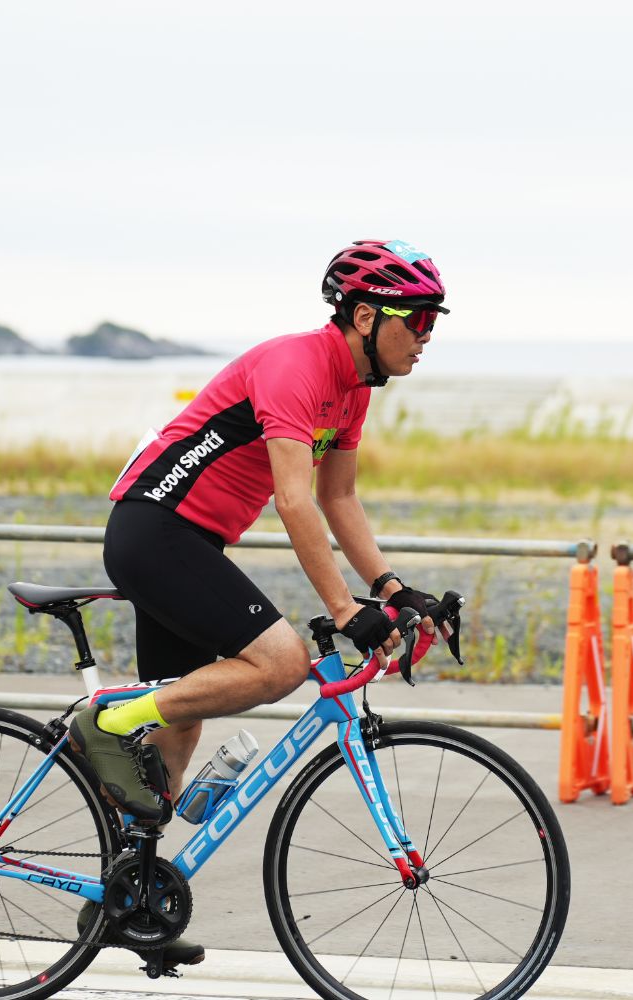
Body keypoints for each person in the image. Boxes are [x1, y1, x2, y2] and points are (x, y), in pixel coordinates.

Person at [69, 239, 449, 965]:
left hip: (193, 544)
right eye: (419, 319)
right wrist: (344, 611)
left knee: (175, 746)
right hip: (157, 529)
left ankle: (126, 904)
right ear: (366, 315)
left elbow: (340, 496)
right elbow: (294, 498)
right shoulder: (296, 366)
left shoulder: (352, 389)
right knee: (279, 664)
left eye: (435, 321)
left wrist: (392, 589)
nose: (426, 336)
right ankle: (106, 722)